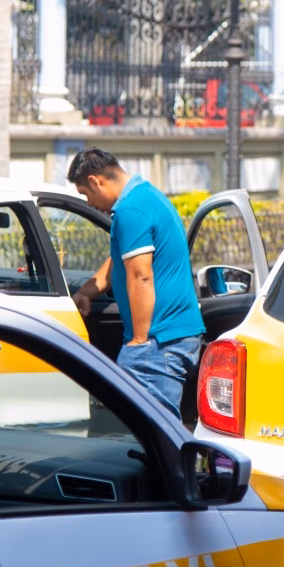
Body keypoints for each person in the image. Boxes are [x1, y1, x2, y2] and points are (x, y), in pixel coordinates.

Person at [66, 148, 205, 418]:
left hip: (157, 341)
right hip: (171, 338)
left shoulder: (131, 210)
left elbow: (140, 275)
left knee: (156, 435)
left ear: (96, 181)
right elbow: (121, 260)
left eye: (85, 193)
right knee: (157, 432)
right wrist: (87, 292)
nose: (89, 203)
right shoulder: (145, 197)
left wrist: (139, 341)